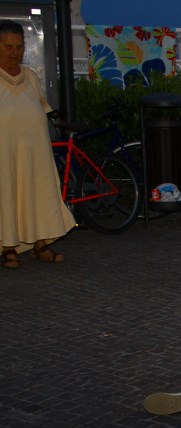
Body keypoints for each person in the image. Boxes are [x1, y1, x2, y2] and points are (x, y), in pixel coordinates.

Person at [0, 19, 75, 268]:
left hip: (35, 150)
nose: (15, 53)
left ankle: (40, 244)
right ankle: (8, 246)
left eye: (19, 47)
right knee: (7, 194)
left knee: (39, 193)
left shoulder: (31, 76)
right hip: (4, 153)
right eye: (8, 47)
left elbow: (43, 106)